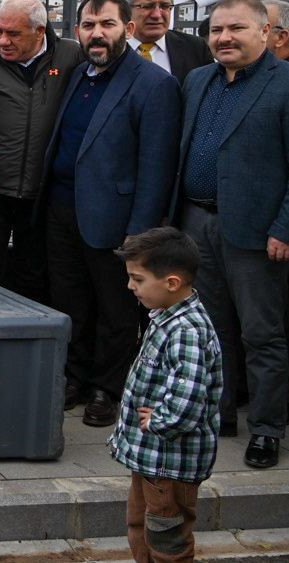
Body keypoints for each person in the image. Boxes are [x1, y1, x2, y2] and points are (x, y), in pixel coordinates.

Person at [41, 0, 182, 428]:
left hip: (116, 219)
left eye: (107, 24)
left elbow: (157, 165)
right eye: (88, 25)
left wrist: (139, 232)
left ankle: (108, 388)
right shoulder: (79, 73)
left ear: (129, 29)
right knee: (70, 300)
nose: (96, 33)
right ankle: (76, 378)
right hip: (62, 208)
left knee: (116, 310)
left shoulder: (154, 84)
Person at [176, 0, 289, 469]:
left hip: (258, 232)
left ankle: (266, 429)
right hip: (196, 223)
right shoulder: (197, 81)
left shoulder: (284, 85)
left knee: (262, 335)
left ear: (266, 32)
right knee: (211, 328)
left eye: (236, 29)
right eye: (216, 30)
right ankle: (218, 416)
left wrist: (284, 227)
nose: (223, 38)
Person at [0, 0, 83, 303]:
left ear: (40, 31)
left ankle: (28, 342)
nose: (3, 40)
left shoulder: (70, 56)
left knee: (35, 273)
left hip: (44, 190)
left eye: (13, 33)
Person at [110, 228, 223, 563]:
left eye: (138, 279)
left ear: (172, 282)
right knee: (140, 525)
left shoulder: (186, 331)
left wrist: (158, 421)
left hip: (170, 465)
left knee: (167, 539)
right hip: (151, 459)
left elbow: (188, 401)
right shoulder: (166, 316)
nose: (131, 286)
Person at [126, 0, 213, 85]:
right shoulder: (111, 48)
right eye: (148, 6)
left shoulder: (195, 48)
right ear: (128, 10)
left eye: (165, 6)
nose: (157, 15)